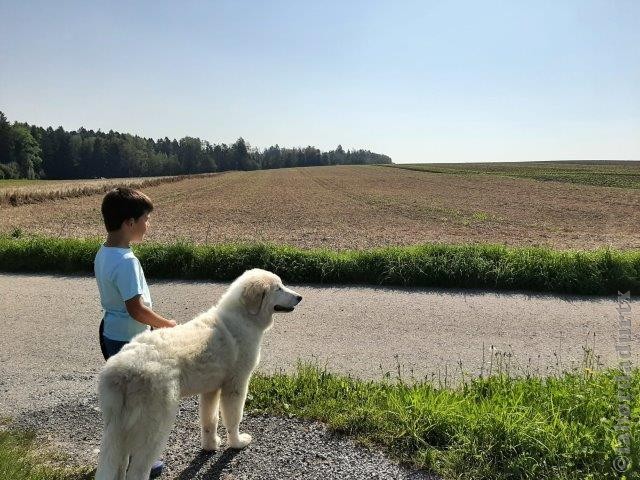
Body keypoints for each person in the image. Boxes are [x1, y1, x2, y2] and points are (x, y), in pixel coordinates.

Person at [94, 187, 176, 478]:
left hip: (110, 334)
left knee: (121, 399)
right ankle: (141, 459)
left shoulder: (104, 253)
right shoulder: (127, 262)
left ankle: (115, 455)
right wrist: (167, 324)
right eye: (145, 219)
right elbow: (136, 309)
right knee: (139, 401)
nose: (148, 225)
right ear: (129, 223)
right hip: (131, 339)